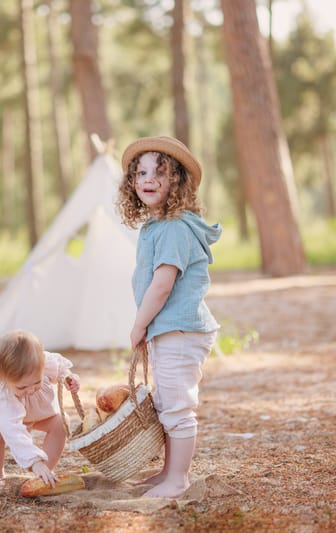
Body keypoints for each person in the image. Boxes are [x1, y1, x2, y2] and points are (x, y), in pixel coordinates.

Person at [117, 135, 221, 498]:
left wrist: (139, 324)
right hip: (169, 329)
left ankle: (179, 479)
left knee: (177, 405)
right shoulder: (157, 226)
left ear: (175, 182)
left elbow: (162, 284)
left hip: (181, 328)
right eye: (141, 172)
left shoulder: (176, 227)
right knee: (165, 404)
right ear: (132, 181)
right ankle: (168, 472)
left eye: (159, 173)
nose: (148, 179)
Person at [0, 329, 80, 487]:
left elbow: (61, 369)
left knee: (60, 423)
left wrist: (69, 378)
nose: (30, 390)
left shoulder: (43, 362)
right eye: (22, 387)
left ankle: (44, 473)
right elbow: (14, 432)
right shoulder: (3, 393)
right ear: (4, 378)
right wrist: (34, 461)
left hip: (36, 411)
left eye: (37, 382)